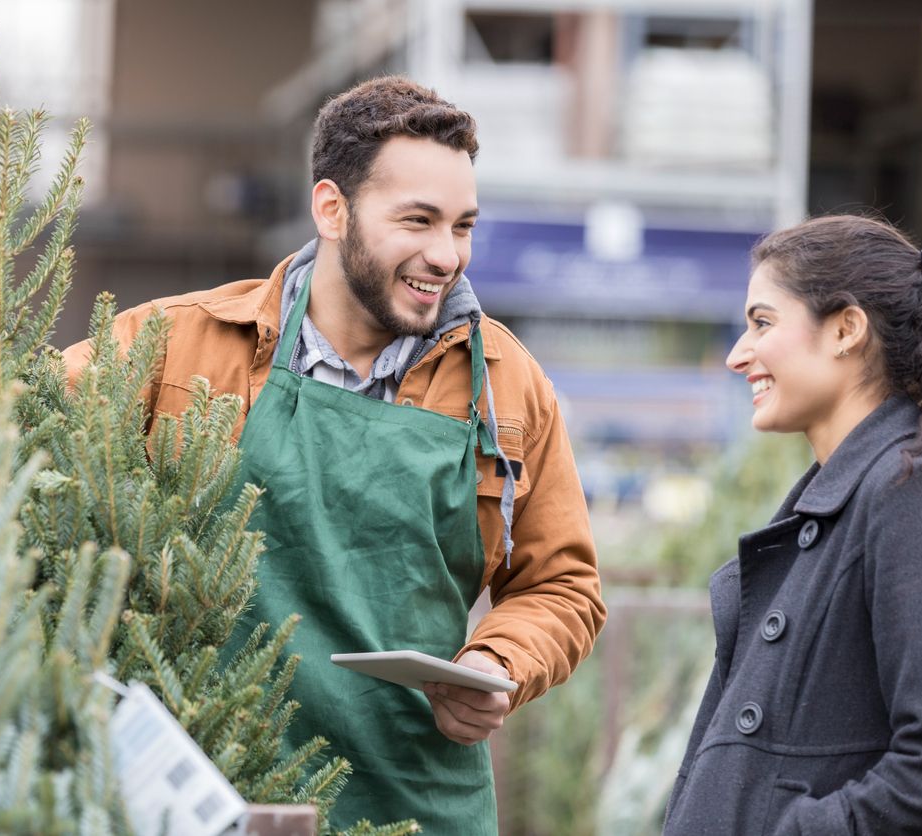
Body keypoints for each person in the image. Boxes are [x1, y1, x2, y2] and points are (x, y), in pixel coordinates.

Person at [65, 76, 605, 832]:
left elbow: (563, 585)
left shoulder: (508, 387)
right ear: (331, 209)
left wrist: (497, 663)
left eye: (462, 226)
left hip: (413, 801)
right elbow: (8, 429)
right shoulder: (176, 345)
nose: (446, 255)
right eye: (417, 220)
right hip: (209, 796)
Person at [664, 215, 922, 835]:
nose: (738, 355)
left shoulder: (907, 486)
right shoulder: (844, 495)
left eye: (762, 323)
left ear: (846, 329)